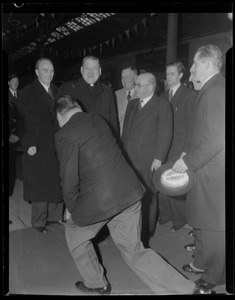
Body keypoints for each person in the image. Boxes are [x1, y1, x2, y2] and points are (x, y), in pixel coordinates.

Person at [54, 95, 207, 295]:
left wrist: (71, 209)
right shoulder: (98, 119)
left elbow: (68, 178)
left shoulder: (64, 133)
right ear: (77, 108)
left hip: (101, 200)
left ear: (60, 116)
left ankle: (96, 283)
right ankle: (189, 290)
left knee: (74, 234)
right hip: (129, 192)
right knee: (134, 250)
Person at [172, 45, 225, 291]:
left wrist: (188, 161)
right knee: (202, 221)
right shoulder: (210, 88)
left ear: (207, 63)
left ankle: (214, 277)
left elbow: (217, 138)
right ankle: (202, 263)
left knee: (214, 227)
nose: (191, 68)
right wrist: (186, 152)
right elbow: (201, 130)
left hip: (212, 172)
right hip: (204, 169)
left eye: (195, 63)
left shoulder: (216, 90)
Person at [122, 72, 172, 247]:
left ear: (150, 87)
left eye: (138, 85)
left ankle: (147, 232)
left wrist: (158, 158)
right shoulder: (132, 104)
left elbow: (165, 134)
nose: (135, 88)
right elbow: (125, 131)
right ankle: (132, 227)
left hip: (149, 159)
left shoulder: (162, 105)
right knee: (133, 195)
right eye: (135, 84)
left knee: (149, 194)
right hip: (130, 157)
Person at [17, 58, 65, 233]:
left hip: (55, 145)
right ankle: (39, 222)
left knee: (55, 181)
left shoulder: (56, 90)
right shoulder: (28, 92)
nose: (49, 74)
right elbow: (23, 120)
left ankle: (54, 217)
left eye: (51, 70)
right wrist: (29, 142)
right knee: (39, 184)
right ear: (37, 72)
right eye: (45, 70)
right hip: (37, 144)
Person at [158, 61, 197, 232]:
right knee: (162, 180)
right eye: (167, 74)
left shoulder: (190, 95)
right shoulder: (161, 96)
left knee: (176, 183)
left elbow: (192, 127)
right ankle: (165, 214)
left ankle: (179, 219)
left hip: (179, 146)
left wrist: (185, 151)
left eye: (172, 74)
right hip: (164, 146)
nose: (168, 77)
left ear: (181, 75)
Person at [57, 55, 119, 137]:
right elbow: (59, 122)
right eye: (87, 68)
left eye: (94, 68)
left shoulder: (107, 91)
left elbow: (113, 122)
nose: (91, 72)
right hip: (78, 145)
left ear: (100, 71)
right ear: (81, 70)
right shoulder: (67, 89)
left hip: (103, 144)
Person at [115, 64, 138, 136]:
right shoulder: (114, 95)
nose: (124, 80)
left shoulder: (143, 94)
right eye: (122, 77)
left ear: (136, 77)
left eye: (128, 77)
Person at [8, 73, 20, 197]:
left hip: (20, 132)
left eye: (17, 81)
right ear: (8, 83)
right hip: (10, 134)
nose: (16, 84)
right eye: (13, 82)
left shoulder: (21, 95)